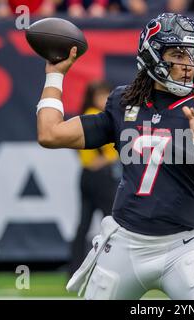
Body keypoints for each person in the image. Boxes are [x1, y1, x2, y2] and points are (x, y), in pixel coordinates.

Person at [35, 12, 194, 299]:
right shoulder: (124, 104)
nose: (188, 65)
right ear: (152, 56)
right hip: (124, 245)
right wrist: (56, 75)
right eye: (178, 54)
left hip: (182, 248)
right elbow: (50, 134)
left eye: (193, 56)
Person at [68, 81, 120, 277]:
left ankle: (74, 269)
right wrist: (107, 159)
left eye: (107, 95)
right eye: (101, 96)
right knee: (111, 223)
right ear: (93, 97)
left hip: (86, 176)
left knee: (83, 224)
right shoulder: (96, 117)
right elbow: (110, 153)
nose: (105, 100)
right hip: (101, 178)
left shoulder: (83, 116)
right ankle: (111, 266)